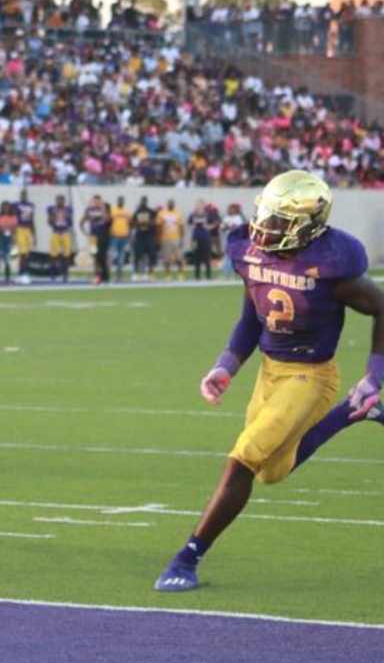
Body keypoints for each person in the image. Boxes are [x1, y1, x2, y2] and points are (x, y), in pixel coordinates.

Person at [155, 172, 384, 592]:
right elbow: (250, 318)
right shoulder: (251, 252)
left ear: (306, 224)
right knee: (270, 472)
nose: (265, 227)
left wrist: (376, 372)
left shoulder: (334, 263)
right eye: (266, 215)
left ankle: (188, 556)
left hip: (310, 376)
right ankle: (354, 410)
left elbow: (382, 307)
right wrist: (225, 365)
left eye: (278, 220)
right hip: (269, 371)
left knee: (245, 455)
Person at [80, 194, 112, 284]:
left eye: (98, 201)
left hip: (103, 236)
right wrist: (85, 232)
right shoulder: (89, 210)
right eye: (95, 201)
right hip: (93, 237)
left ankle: (105, 275)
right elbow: (82, 220)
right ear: (93, 201)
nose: (97, 203)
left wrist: (103, 209)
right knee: (95, 256)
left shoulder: (104, 209)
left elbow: (107, 219)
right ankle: (97, 275)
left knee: (102, 256)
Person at [46, 194, 74, 283]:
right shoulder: (52, 209)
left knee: (66, 255)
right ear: (56, 201)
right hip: (56, 232)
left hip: (65, 232)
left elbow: (70, 222)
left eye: (61, 200)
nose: (60, 202)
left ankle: (65, 274)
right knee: (54, 255)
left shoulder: (68, 209)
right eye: (58, 200)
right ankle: (53, 274)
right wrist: (53, 216)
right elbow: (49, 222)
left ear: (64, 201)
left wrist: (66, 217)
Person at [156, 199, 185, 280]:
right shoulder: (162, 213)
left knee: (179, 257)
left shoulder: (178, 213)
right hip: (165, 238)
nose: (171, 205)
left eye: (172, 204)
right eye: (170, 204)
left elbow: (181, 227)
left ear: (174, 205)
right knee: (166, 258)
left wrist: (182, 239)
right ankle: (167, 275)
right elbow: (158, 227)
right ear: (167, 204)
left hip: (176, 238)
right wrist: (158, 239)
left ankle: (181, 274)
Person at [13, 189, 36, 284]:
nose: (24, 196)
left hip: (28, 230)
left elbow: (32, 220)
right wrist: (13, 233)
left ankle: (23, 273)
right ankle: (22, 274)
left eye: (25, 194)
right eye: (22, 194)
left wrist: (35, 235)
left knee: (27, 254)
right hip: (20, 229)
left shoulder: (31, 205)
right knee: (22, 254)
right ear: (20, 195)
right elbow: (14, 219)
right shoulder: (16, 205)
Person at [132, 196, 157, 280]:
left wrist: (148, 223)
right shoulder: (137, 212)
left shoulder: (151, 211)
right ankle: (136, 273)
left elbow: (154, 222)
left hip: (149, 236)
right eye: (142, 201)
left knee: (151, 254)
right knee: (138, 255)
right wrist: (139, 224)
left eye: (145, 201)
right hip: (139, 236)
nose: (143, 203)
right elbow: (132, 223)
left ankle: (150, 273)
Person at [188, 200, 213, 280]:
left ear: (203, 206)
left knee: (207, 257)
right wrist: (194, 225)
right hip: (196, 238)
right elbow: (189, 224)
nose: (199, 207)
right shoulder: (192, 215)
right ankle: (197, 276)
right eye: (197, 205)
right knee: (196, 257)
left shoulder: (207, 215)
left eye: (200, 205)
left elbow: (214, 224)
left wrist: (207, 226)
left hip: (205, 238)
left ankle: (208, 276)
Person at [0, 202, 17, 283]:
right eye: (4, 207)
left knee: (7, 258)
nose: (5, 209)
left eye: (7, 207)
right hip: (0, 238)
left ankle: (7, 277)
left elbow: (14, 230)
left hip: (8, 239)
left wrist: (14, 239)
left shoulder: (13, 217)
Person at [109, 195, 131, 282]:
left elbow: (130, 223)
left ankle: (119, 275)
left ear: (123, 202)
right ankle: (109, 275)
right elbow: (109, 222)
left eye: (122, 201)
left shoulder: (127, 211)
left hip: (124, 236)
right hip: (115, 236)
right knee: (113, 255)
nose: (121, 202)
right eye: (119, 200)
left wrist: (128, 234)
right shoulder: (113, 210)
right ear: (117, 201)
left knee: (121, 257)